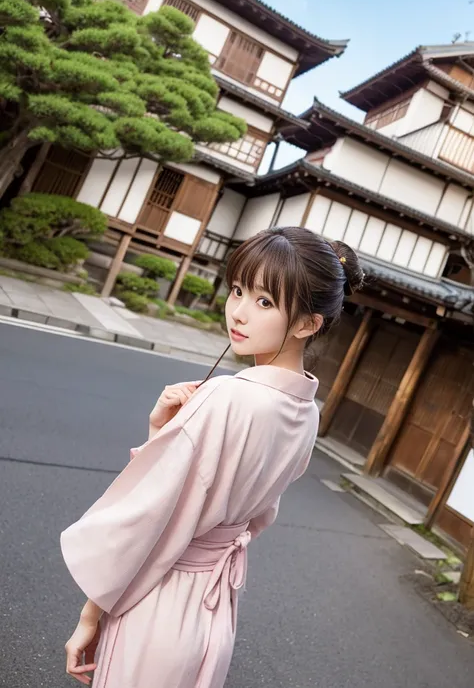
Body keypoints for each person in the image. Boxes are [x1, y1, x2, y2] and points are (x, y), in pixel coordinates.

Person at [61, 227, 364, 688]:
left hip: (158, 603)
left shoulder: (226, 396)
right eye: (239, 290)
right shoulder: (306, 413)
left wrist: (91, 614)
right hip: (214, 612)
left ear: (307, 324)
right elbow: (256, 516)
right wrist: (163, 435)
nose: (238, 311)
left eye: (265, 302)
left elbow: (148, 515)